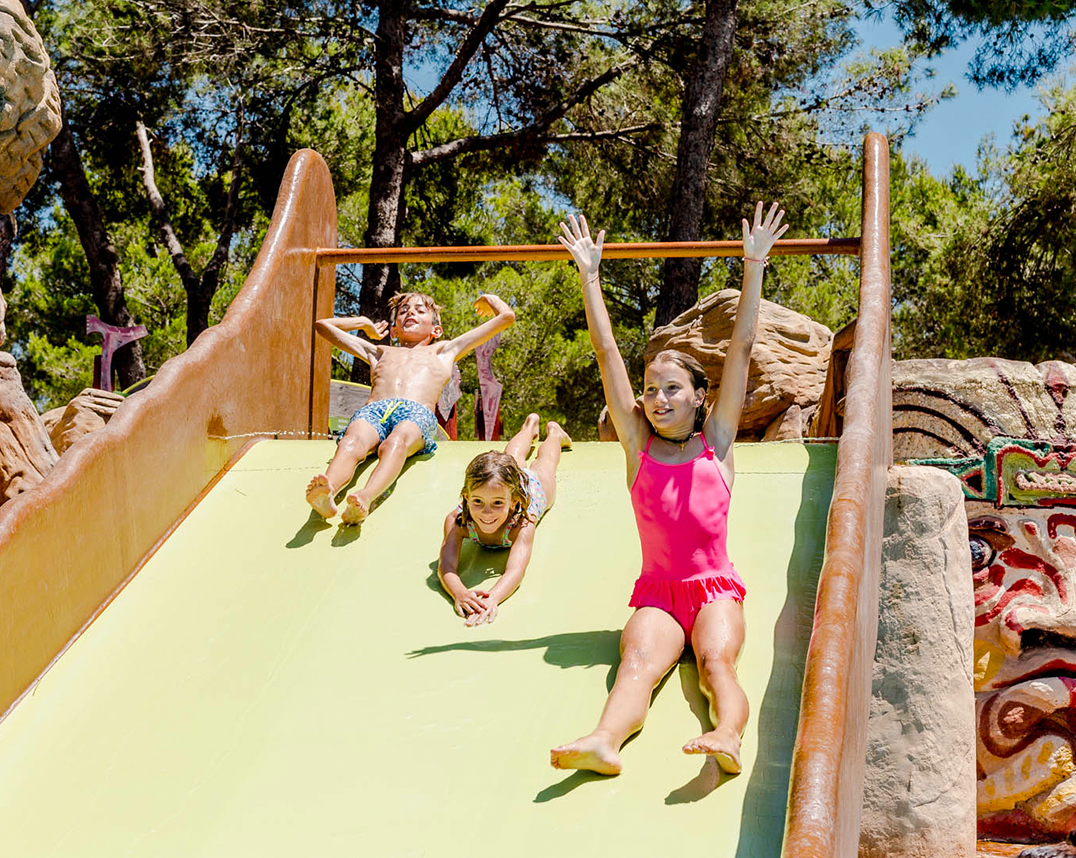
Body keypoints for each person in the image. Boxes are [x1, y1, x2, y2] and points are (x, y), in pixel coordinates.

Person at [549, 202, 786, 778]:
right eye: (651, 389)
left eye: (672, 389)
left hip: (713, 589)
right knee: (635, 664)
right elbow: (606, 353)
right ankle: (604, 740)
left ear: (699, 397)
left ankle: (726, 735)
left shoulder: (717, 443)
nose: (658, 399)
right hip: (658, 594)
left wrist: (753, 266)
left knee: (715, 664)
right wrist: (590, 275)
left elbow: (741, 348)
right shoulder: (638, 448)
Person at [307, 291, 515, 525]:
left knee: (396, 442)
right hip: (374, 410)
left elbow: (506, 317)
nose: (410, 313)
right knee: (352, 441)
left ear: (436, 330)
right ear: (394, 330)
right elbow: (323, 326)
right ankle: (327, 489)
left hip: (415, 413)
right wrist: (363, 324)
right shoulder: (379, 352)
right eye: (403, 310)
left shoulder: (445, 350)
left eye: (420, 310)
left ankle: (366, 496)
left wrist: (490, 298)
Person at [437, 414, 570, 625]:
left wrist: (493, 598)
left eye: (497, 503)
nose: (486, 512)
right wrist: (459, 593)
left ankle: (554, 434)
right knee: (512, 456)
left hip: (533, 489)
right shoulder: (458, 521)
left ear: (513, 502)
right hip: (504, 486)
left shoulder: (522, 524)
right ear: (467, 497)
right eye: (477, 501)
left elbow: (516, 570)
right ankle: (529, 427)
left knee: (544, 464)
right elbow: (446, 565)